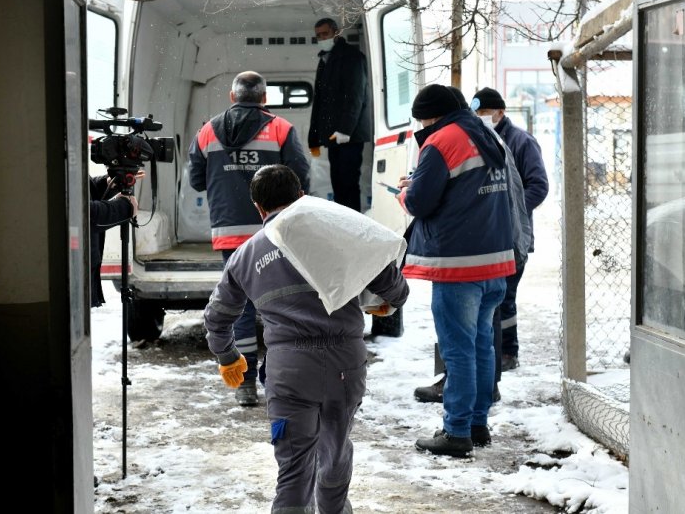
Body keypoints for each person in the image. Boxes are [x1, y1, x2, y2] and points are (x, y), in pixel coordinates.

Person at [204, 164, 409, 512]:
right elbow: (394, 288)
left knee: (294, 474)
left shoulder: (246, 255)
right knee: (335, 458)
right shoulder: (336, 232)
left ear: (258, 207)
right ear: (301, 196)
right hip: (346, 364)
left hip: (290, 372)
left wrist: (228, 357)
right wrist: (381, 300)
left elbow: (217, 318)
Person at [398, 84, 515, 457]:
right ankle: (477, 424)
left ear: (431, 116)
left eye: (422, 119)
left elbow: (419, 201)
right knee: (481, 345)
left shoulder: (442, 140)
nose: (423, 126)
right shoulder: (488, 134)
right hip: (494, 259)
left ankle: (457, 431)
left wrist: (405, 191)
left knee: (458, 350)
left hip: (458, 264)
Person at [188, 71, 311, 406]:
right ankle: (277, 378)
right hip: (275, 231)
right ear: (264, 98)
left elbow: (197, 180)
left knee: (238, 306)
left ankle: (243, 385)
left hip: (228, 232)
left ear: (232, 97)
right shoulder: (281, 129)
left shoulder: (207, 130)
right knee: (280, 303)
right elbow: (300, 178)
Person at [471, 87, 549, 371]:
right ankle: (495, 353)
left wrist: (510, 210)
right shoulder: (480, 139)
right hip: (489, 236)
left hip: (514, 237)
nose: (480, 118)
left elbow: (539, 186)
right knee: (493, 298)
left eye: (485, 113)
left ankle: (508, 352)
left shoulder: (521, 142)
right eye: (476, 113)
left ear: (500, 112)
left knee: (505, 297)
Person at [308, 17, 371, 212]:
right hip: (334, 136)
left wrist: (345, 130)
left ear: (336, 33)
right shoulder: (326, 59)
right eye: (318, 35)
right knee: (338, 184)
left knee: (348, 183)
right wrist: (314, 137)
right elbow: (320, 102)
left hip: (349, 135)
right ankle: (344, 224)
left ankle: (353, 226)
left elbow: (355, 96)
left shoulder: (352, 57)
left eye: (325, 34)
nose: (321, 38)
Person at [89, 175, 138, 308]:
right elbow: (83, 213)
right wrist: (125, 208)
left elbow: (83, 190)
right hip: (72, 271)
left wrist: (107, 183)